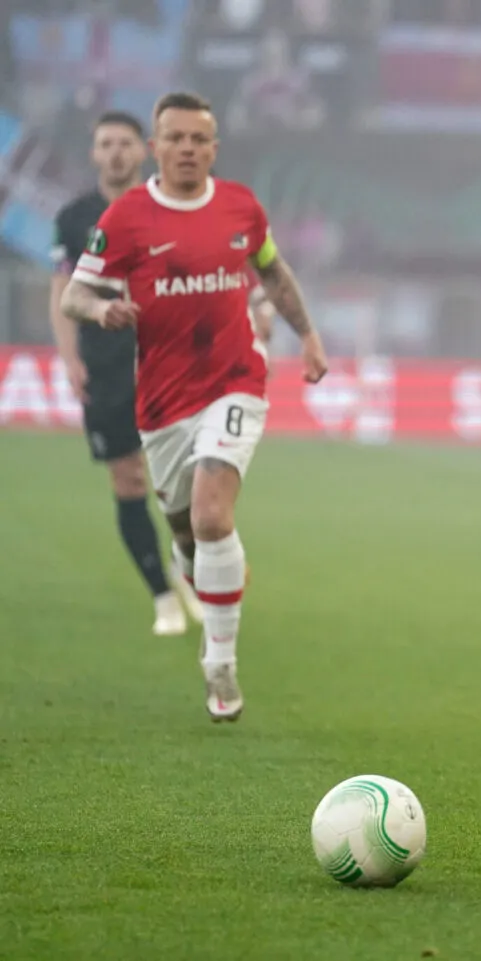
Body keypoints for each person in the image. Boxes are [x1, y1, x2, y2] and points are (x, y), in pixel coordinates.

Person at [60, 91, 329, 722]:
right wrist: (102, 309)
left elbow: (274, 273)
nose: (187, 148)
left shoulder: (241, 207)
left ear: (214, 147)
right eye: (175, 138)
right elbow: (76, 293)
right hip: (161, 402)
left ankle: (220, 663)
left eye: (198, 139)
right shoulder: (126, 218)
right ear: (157, 148)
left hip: (236, 380)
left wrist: (308, 334)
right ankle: (194, 573)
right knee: (185, 528)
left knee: (212, 517)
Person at [48, 110, 202, 636]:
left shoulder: (172, 208)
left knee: (180, 479)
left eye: (124, 143)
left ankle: (188, 570)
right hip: (107, 363)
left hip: (169, 360)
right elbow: (62, 292)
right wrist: (70, 357)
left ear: (145, 150)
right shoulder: (73, 219)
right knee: (128, 476)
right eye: (105, 143)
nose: (114, 152)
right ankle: (162, 595)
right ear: (94, 153)